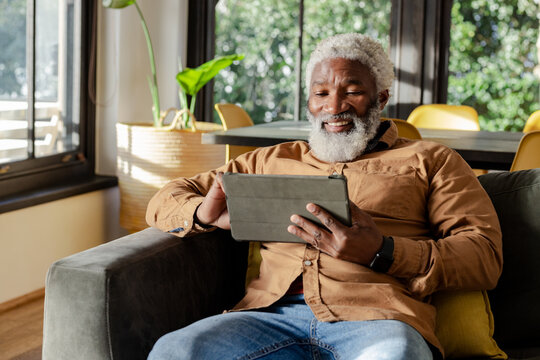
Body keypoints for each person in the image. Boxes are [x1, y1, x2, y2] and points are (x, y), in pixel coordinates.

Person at [146, 33, 502, 360]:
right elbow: (165, 198)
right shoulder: (270, 160)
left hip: (379, 320)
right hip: (270, 318)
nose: (335, 106)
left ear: (380, 98)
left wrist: (384, 251)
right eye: (321, 93)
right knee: (175, 350)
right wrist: (203, 213)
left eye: (352, 91)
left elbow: (483, 254)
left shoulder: (431, 160)